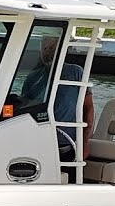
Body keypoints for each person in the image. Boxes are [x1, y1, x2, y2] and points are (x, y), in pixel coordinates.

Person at [21, 33, 95, 176]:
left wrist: (85, 142)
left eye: (53, 48)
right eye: (46, 48)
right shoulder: (33, 77)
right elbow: (23, 108)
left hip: (67, 143)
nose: (49, 52)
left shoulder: (76, 72)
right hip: (38, 140)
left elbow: (89, 108)